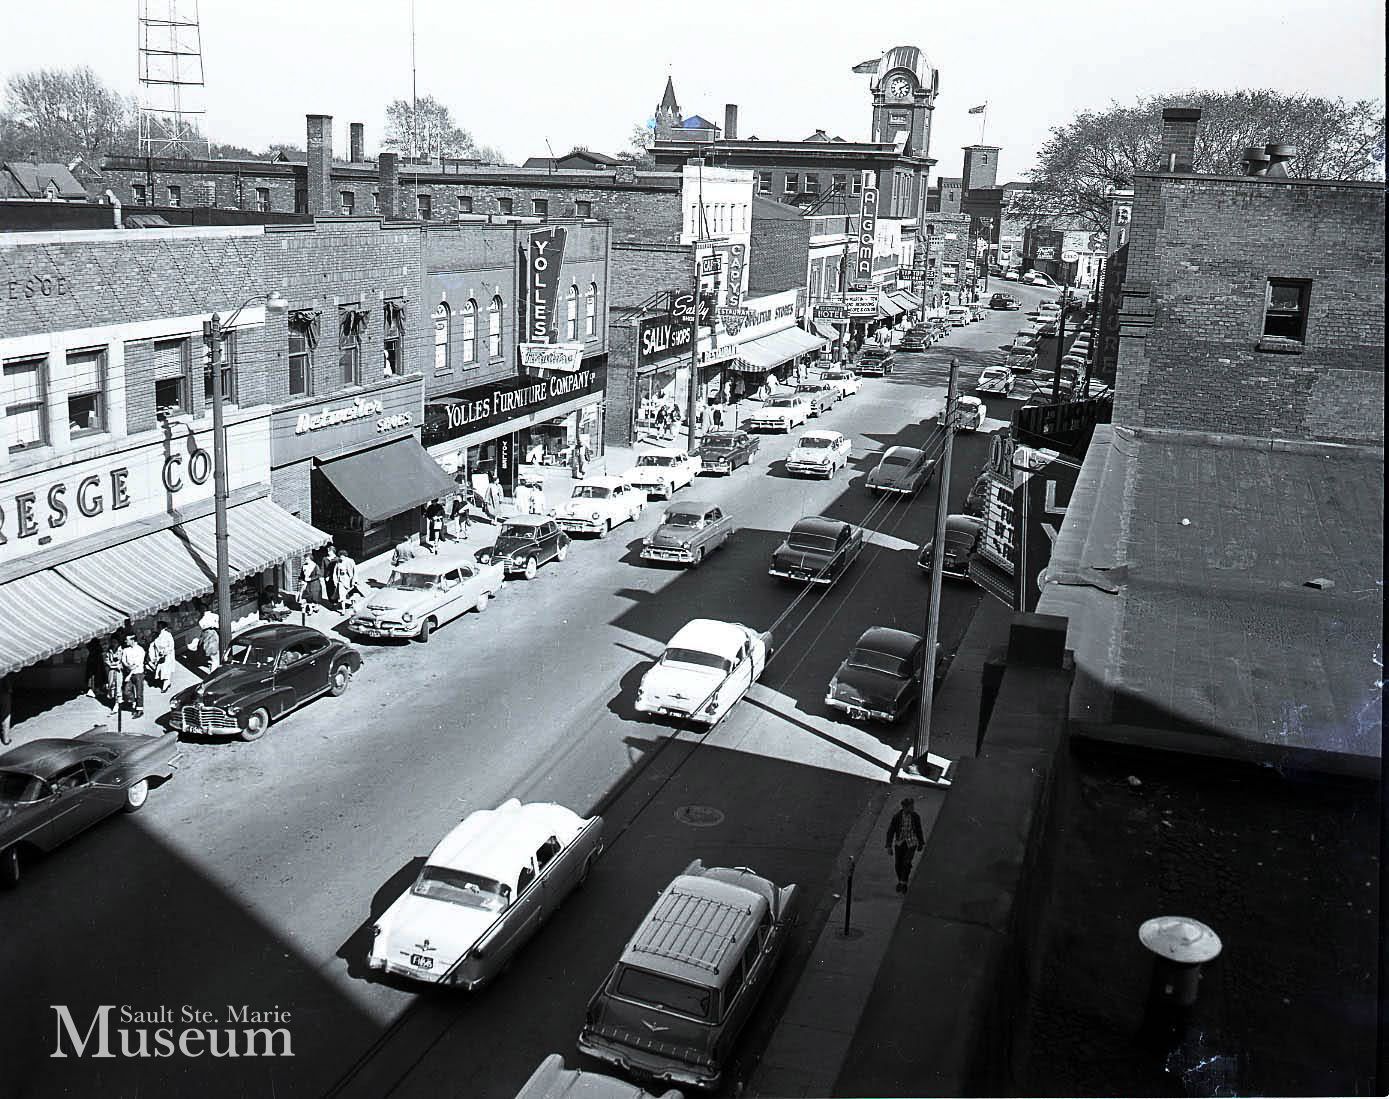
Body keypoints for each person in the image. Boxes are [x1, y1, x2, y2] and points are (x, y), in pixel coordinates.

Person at [885, 796, 926, 893]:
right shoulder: (897, 817)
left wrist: (921, 843)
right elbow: (891, 831)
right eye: (910, 807)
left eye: (912, 807)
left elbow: (919, 830)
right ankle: (901, 881)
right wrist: (889, 845)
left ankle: (903, 883)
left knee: (906, 863)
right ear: (904, 807)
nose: (912, 809)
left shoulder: (915, 817)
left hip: (911, 842)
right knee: (898, 864)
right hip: (900, 843)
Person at [120, 633, 146, 718]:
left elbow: (137, 664)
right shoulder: (126, 650)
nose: (125, 641)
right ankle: (134, 702)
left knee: (139, 692)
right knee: (126, 691)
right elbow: (123, 660)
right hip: (129, 672)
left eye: (127, 640)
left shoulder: (140, 650)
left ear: (133, 640)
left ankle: (139, 709)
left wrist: (129, 675)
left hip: (138, 674)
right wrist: (127, 666)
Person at [146, 620, 176, 694]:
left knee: (166, 670)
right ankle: (163, 681)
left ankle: (166, 684)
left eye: (160, 627)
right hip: (158, 656)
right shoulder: (156, 636)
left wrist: (165, 652)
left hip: (167, 656)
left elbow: (171, 646)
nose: (159, 629)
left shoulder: (168, 635)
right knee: (160, 670)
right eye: (158, 627)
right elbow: (152, 645)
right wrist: (153, 656)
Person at [197, 607, 220, 675]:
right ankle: (214, 670)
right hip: (213, 634)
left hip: (207, 635)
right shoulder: (215, 616)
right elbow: (217, 625)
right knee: (214, 654)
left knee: (213, 654)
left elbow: (201, 626)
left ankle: (213, 670)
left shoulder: (201, 620)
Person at [103, 640, 123, 716]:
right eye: (113, 642)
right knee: (112, 686)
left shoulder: (121, 650)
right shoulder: (109, 651)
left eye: (115, 642)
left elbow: (122, 662)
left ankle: (117, 704)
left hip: (119, 671)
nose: (114, 644)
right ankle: (115, 701)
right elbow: (107, 661)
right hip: (111, 671)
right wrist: (113, 665)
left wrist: (117, 665)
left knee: (118, 687)